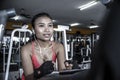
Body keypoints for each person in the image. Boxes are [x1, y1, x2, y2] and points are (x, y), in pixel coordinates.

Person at [20, 12, 66, 80]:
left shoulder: (58, 47)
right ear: (33, 30)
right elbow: (29, 78)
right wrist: (39, 72)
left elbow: (62, 74)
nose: (47, 30)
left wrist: (69, 70)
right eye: (41, 26)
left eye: (50, 25)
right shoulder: (26, 49)